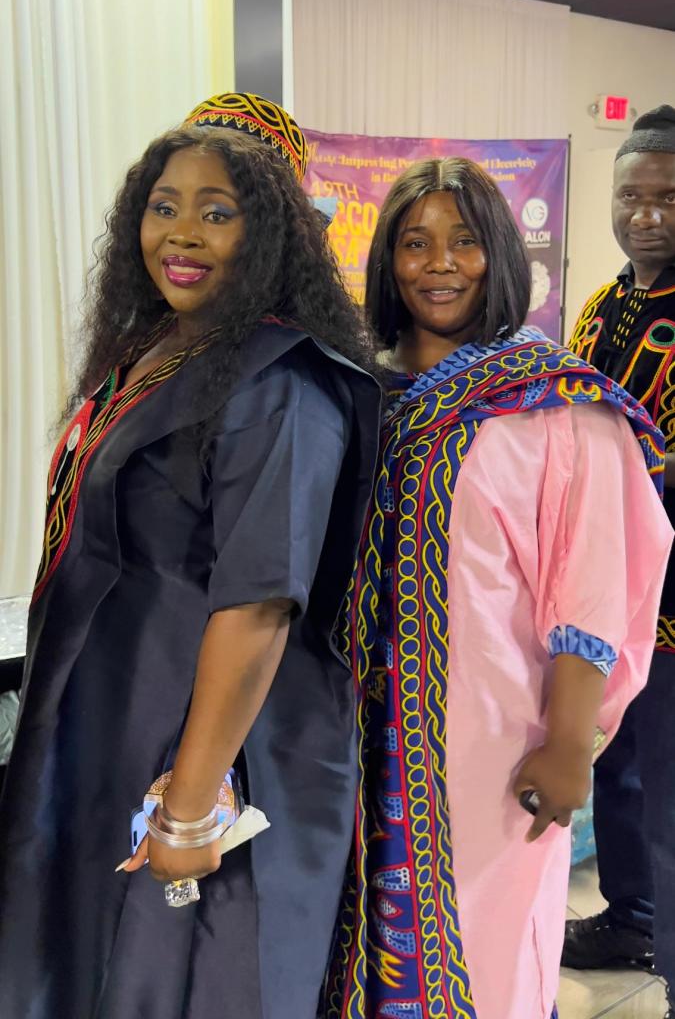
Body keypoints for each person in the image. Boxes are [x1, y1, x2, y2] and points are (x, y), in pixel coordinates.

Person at [0, 93, 381, 1019]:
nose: (182, 233)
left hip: (211, 742)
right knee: (83, 958)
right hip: (111, 710)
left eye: (218, 212)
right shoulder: (159, 352)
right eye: (164, 206)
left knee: (180, 978)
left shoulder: (281, 383)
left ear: (272, 233)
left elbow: (258, 604)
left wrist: (187, 806)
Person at [320, 157, 672, 1019]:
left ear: (502, 254)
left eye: (465, 241)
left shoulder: (554, 403)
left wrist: (569, 743)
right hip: (344, 731)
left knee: (486, 952)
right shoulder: (354, 388)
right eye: (414, 242)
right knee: (351, 948)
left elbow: (593, 581)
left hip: (490, 740)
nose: (439, 263)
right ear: (387, 259)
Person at [563, 105, 675, 1016]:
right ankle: (630, 915)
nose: (645, 215)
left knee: (666, 790)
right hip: (609, 590)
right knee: (617, 766)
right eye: (630, 196)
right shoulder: (602, 305)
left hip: (672, 594)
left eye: (667, 197)